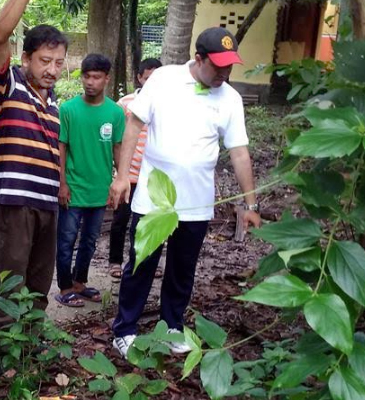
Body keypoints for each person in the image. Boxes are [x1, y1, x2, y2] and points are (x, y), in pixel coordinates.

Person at [108, 27, 262, 358]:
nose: (223, 73)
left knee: (183, 268)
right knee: (141, 263)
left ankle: (172, 326)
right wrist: (122, 177)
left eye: (229, 67)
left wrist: (250, 203)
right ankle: (125, 329)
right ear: (198, 58)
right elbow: (134, 124)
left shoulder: (230, 99)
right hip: (154, 198)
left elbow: (239, 152)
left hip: (197, 202)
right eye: (217, 66)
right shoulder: (163, 79)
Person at [0, 0, 68, 332]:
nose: (52, 69)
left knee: (39, 285)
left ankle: (30, 351)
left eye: (59, 63)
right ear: (26, 59)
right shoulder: (9, 87)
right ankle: (5, 357)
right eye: (45, 61)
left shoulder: (55, 108)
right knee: (9, 284)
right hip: (14, 204)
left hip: (47, 205)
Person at [55, 54, 124, 307]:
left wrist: (118, 181)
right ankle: (64, 287)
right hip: (73, 188)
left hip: (100, 188)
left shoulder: (115, 113)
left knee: (90, 240)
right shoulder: (68, 109)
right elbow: (61, 147)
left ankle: (79, 283)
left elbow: (117, 149)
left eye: (96, 77)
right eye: (86, 76)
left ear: (106, 79)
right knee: (66, 240)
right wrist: (62, 183)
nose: (90, 82)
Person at [108, 58, 162, 280]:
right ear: (139, 78)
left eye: (156, 79)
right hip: (128, 174)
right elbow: (117, 138)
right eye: (148, 78)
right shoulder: (126, 104)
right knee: (121, 220)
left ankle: (143, 261)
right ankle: (115, 262)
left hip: (153, 177)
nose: (152, 83)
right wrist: (119, 168)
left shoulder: (167, 105)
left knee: (148, 223)